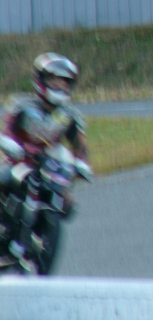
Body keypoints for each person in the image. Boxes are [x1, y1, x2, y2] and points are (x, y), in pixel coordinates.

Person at [0, 53, 89, 266]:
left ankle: (40, 239)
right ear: (40, 79)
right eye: (54, 79)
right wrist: (11, 145)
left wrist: (82, 164)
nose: (60, 85)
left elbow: (79, 146)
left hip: (50, 167)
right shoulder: (21, 104)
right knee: (3, 179)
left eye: (65, 81)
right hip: (19, 162)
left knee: (68, 204)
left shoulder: (70, 115)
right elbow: (7, 130)